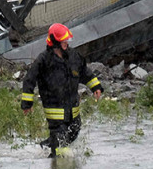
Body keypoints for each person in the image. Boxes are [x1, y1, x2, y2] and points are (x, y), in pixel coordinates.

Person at [21, 23, 103, 158]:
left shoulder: (74, 56)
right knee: (60, 146)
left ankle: (48, 147)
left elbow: (84, 72)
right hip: (55, 110)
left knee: (74, 130)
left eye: (67, 41)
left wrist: (96, 87)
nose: (67, 44)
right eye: (64, 41)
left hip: (72, 108)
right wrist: (27, 104)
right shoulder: (43, 60)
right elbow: (29, 80)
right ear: (55, 43)